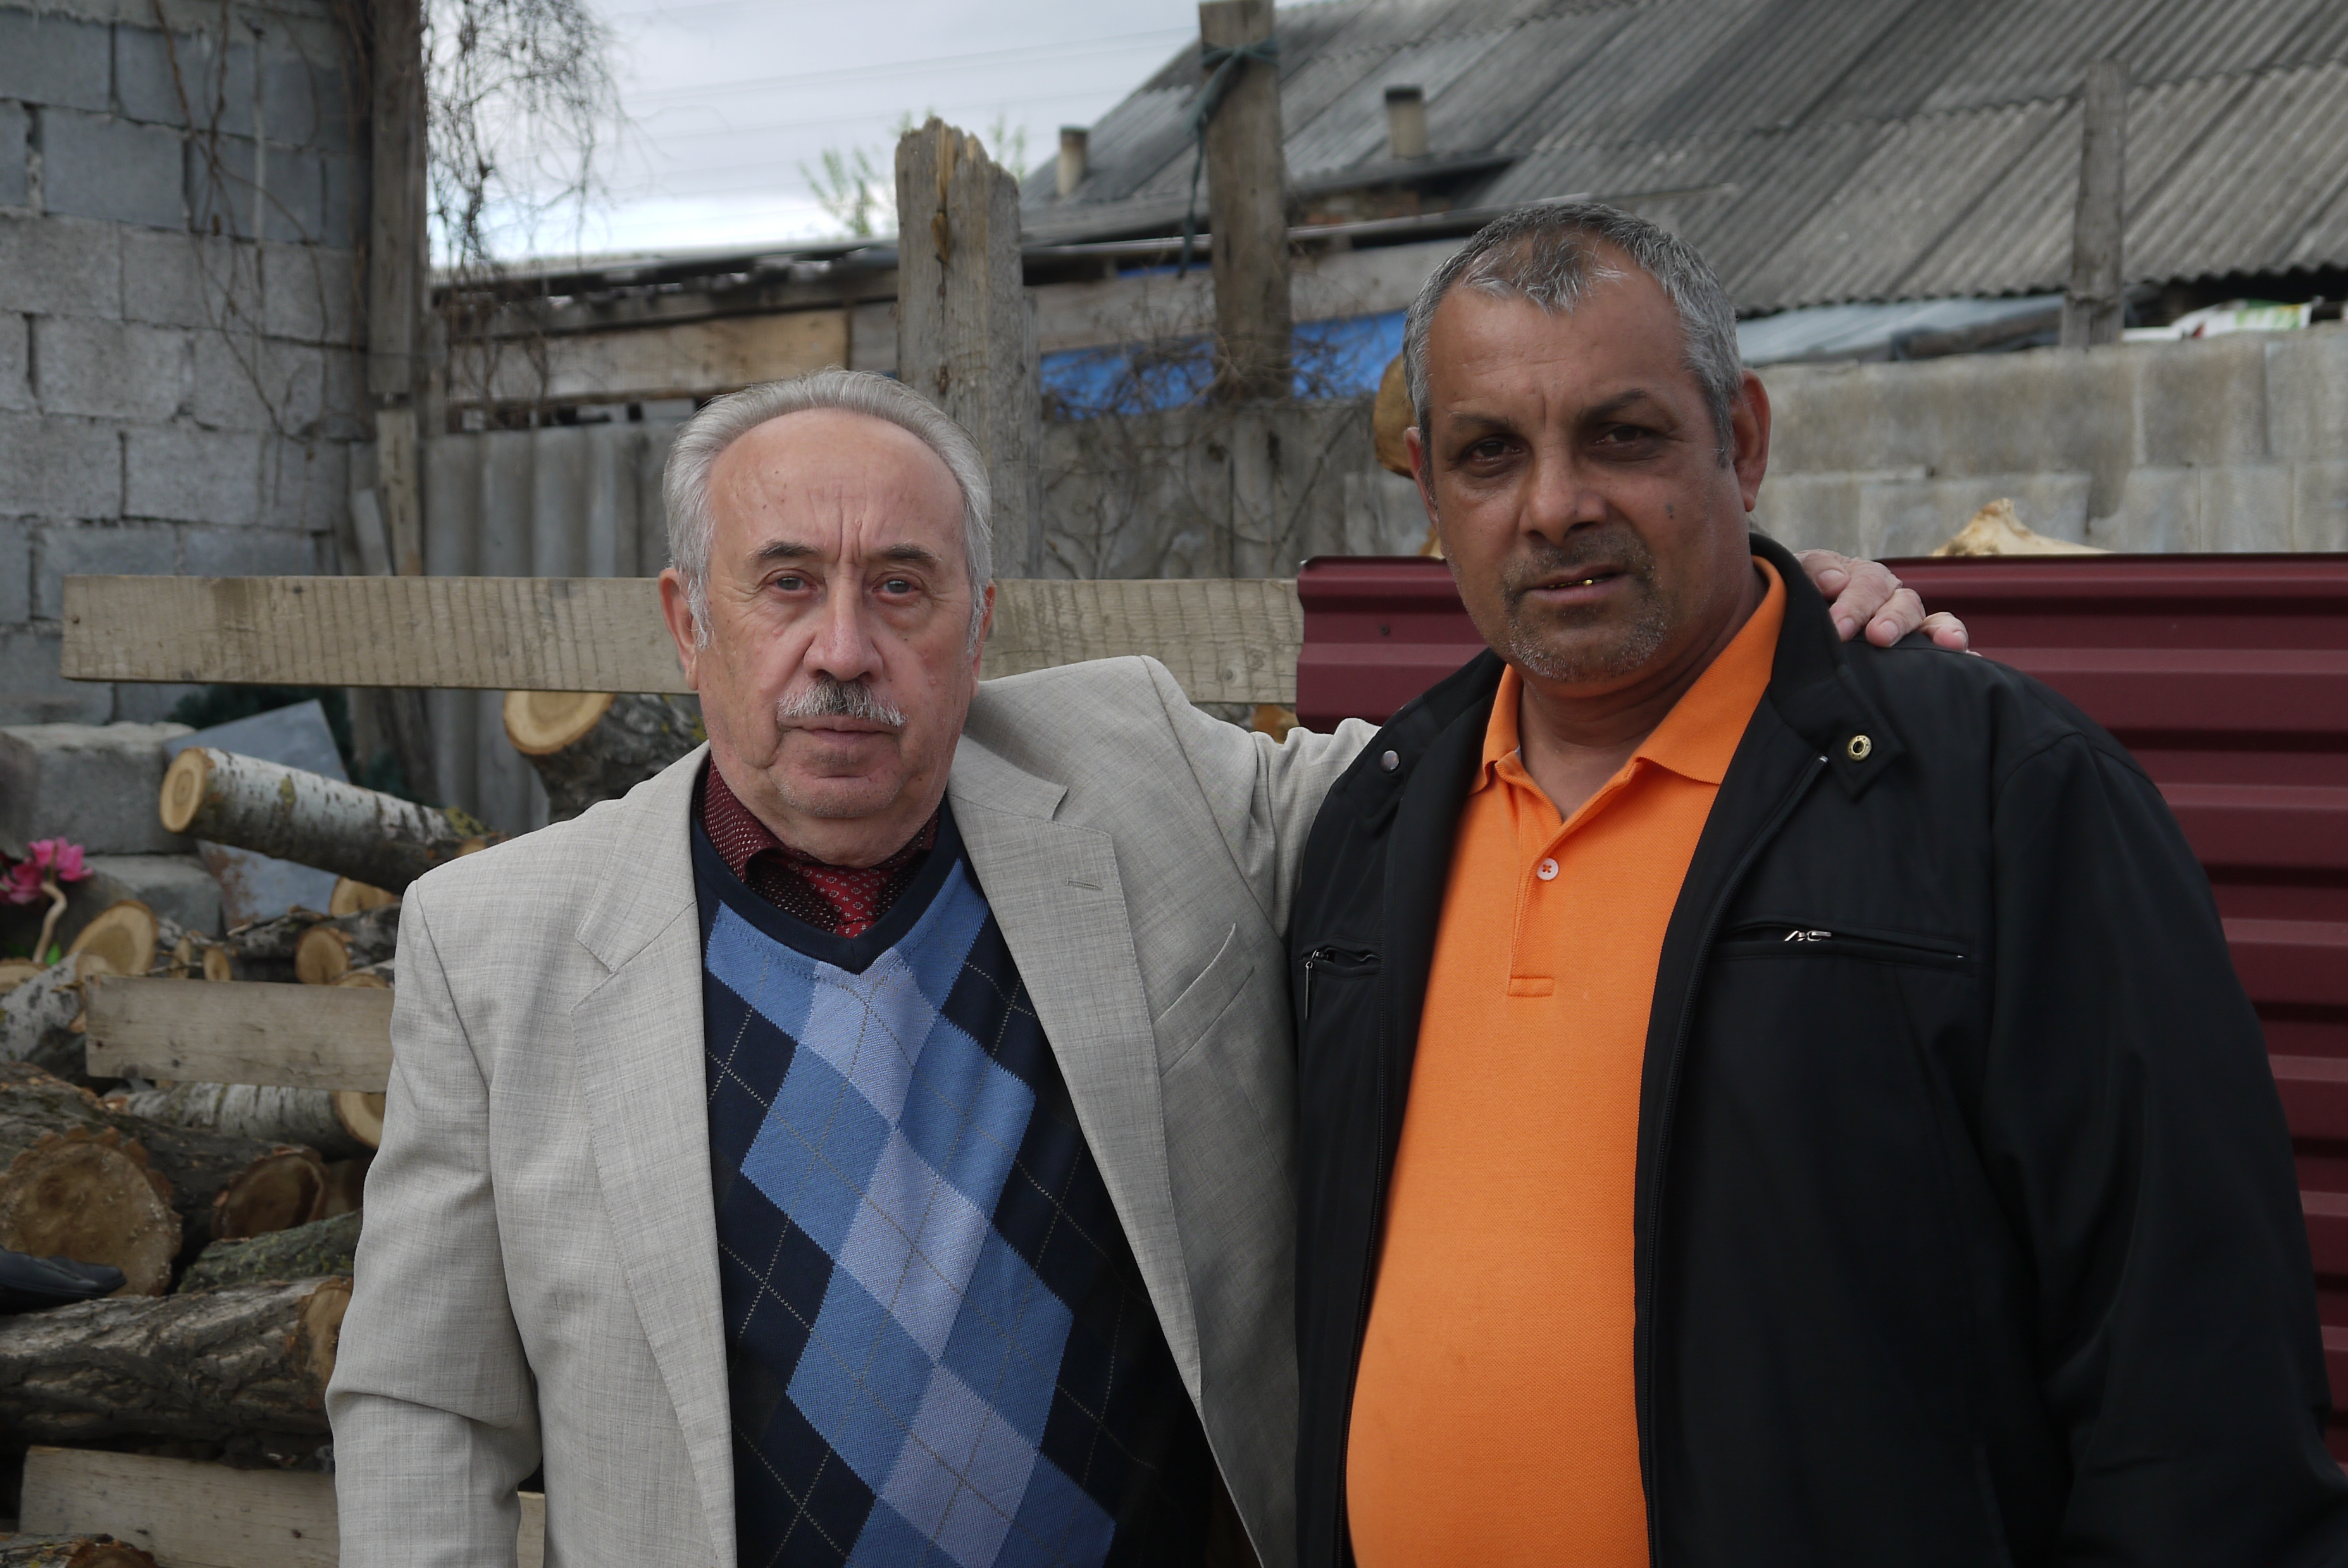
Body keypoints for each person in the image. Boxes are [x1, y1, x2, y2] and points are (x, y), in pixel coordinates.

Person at [326, 369, 1949, 1568]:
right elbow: (424, 1407)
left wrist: (1729, 627)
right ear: (688, 623)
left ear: (979, 620)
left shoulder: (1139, 777)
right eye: (784, 587)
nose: (843, 648)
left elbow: (1475, 777)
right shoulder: (505, 945)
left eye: (902, 586)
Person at [1287, 202, 2348, 1568]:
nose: (1554, 506)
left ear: (1739, 441)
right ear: (1429, 495)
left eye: (1621, 433)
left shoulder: (2004, 800)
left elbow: (2198, 1417)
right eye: (1492, 455)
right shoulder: (1372, 819)